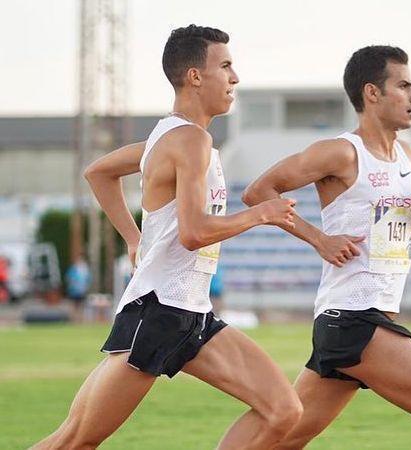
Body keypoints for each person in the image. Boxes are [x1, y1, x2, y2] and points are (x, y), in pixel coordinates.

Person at [33, 25, 302, 449]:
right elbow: (194, 233)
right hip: (157, 314)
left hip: (192, 313)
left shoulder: (176, 138)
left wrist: (133, 238)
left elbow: (99, 172)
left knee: (284, 409)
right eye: (226, 66)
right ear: (195, 76)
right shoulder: (189, 140)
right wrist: (260, 214)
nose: (235, 78)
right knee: (73, 442)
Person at [242, 45, 411, 449]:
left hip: (359, 323)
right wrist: (319, 239)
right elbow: (258, 192)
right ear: (372, 93)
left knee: (280, 440)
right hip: (354, 320)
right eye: (403, 86)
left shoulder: (406, 155)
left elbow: (406, 245)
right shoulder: (340, 152)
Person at [65, 254, 91, 320]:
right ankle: (73, 319)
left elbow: (88, 280)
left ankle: (80, 319)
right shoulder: (73, 269)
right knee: (73, 306)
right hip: (73, 291)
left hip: (81, 291)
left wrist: (86, 287)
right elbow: (68, 278)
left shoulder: (85, 270)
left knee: (81, 306)